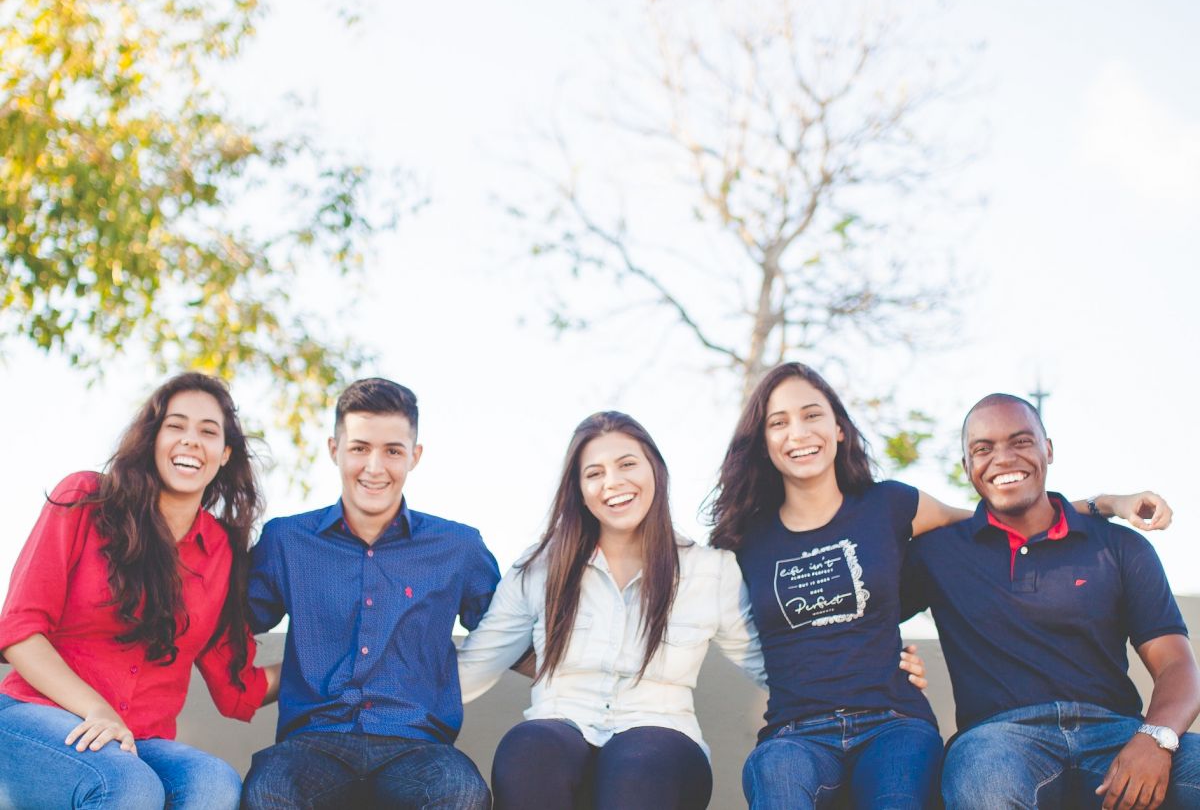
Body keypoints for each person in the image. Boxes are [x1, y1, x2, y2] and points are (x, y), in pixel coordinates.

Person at [706, 362, 1170, 810]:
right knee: (778, 777)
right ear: (763, 440)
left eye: (812, 415)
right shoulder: (745, 539)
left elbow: (999, 515)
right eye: (779, 422)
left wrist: (1105, 503)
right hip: (795, 730)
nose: (799, 432)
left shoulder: (891, 504)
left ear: (839, 428)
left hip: (892, 722)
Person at [455, 410, 926, 810]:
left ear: (655, 471)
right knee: (529, 749)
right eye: (594, 473)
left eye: (626, 464)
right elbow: (475, 666)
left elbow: (777, 665)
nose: (613, 483)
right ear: (578, 489)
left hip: (661, 731)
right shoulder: (540, 568)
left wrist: (877, 665)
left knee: (638, 765)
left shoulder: (709, 570)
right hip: (559, 719)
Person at [902, 393, 1200, 810]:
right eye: (982, 449)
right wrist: (893, 659)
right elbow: (858, 616)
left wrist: (1156, 738)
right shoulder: (937, 553)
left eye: (1020, 441)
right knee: (983, 784)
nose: (1002, 458)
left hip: (1116, 734)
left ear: (1049, 449)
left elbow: (1175, 663)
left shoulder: (1118, 546)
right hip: (998, 742)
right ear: (967, 466)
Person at [0, 372, 278, 810]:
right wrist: (96, 709)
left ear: (224, 454)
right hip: (35, 717)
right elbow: (19, 631)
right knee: (129, 787)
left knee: (215, 783)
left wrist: (333, 660)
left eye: (207, 432)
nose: (190, 441)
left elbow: (236, 688)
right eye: (176, 426)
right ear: (152, 439)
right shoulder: (86, 499)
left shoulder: (221, 551)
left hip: (138, 742)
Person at [241, 378, 499, 810]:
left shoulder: (458, 548)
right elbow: (226, 622)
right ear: (334, 449)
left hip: (417, 747)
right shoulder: (286, 540)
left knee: (463, 793)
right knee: (268, 791)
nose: (375, 467)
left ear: (414, 457)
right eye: (360, 448)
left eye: (393, 451)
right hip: (312, 745)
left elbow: (510, 632)